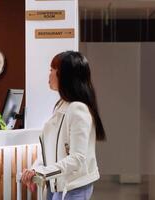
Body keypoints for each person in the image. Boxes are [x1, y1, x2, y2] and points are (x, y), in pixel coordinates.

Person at [21, 51, 106, 200]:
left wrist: (42, 173)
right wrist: (36, 169)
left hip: (73, 187)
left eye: (52, 70)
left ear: (65, 76)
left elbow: (77, 158)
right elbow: (49, 151)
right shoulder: (62, 105)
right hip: (57, 185)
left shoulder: (77, 109)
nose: (49, 75)